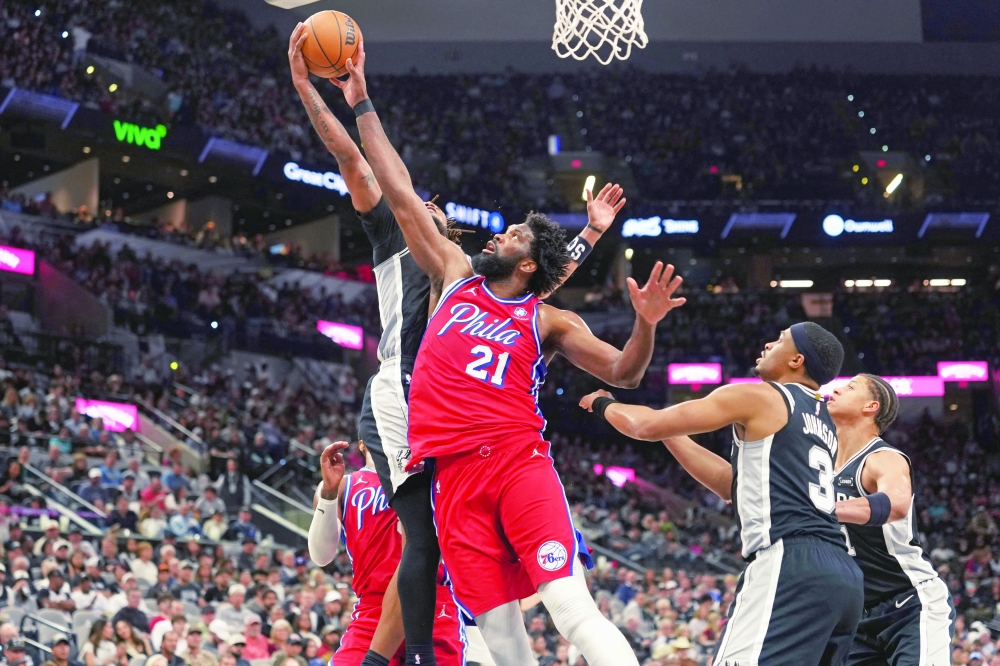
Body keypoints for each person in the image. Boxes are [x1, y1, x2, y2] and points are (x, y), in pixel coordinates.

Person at [331, 41, 685, 666]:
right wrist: (360, 100)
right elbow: (398, 186)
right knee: (499, 636)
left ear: (524, 264)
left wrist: (646, 324)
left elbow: (626, 372)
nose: (498, 232)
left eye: (514, 234)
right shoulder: (453, 275)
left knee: (570, 607)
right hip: (455, 479)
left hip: (519, 463)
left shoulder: (548, 317)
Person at [579, 322, 864, 666]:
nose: (768, 343)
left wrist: (602, 404)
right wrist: (671, 433)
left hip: (790, 560)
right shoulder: (824, 422)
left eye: (780, 340)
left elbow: (643, 427)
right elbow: (731, 484)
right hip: (843, 573)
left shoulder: (759, 395)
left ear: (796, 360)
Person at [829, 375, 955, 666]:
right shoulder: (821, 464)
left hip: (910, 603)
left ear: (871, 406)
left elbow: (896, 504)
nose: (835, 389)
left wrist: (820, 506)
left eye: (849, 388)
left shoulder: (882, 457)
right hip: (856, 615)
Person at [308, 440, 465, 666]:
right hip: (373, 608)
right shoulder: (344, 484)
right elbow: (321, 556)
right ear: (362, 442)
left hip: (431, 604)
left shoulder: (433, 474)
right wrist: (329, 493)